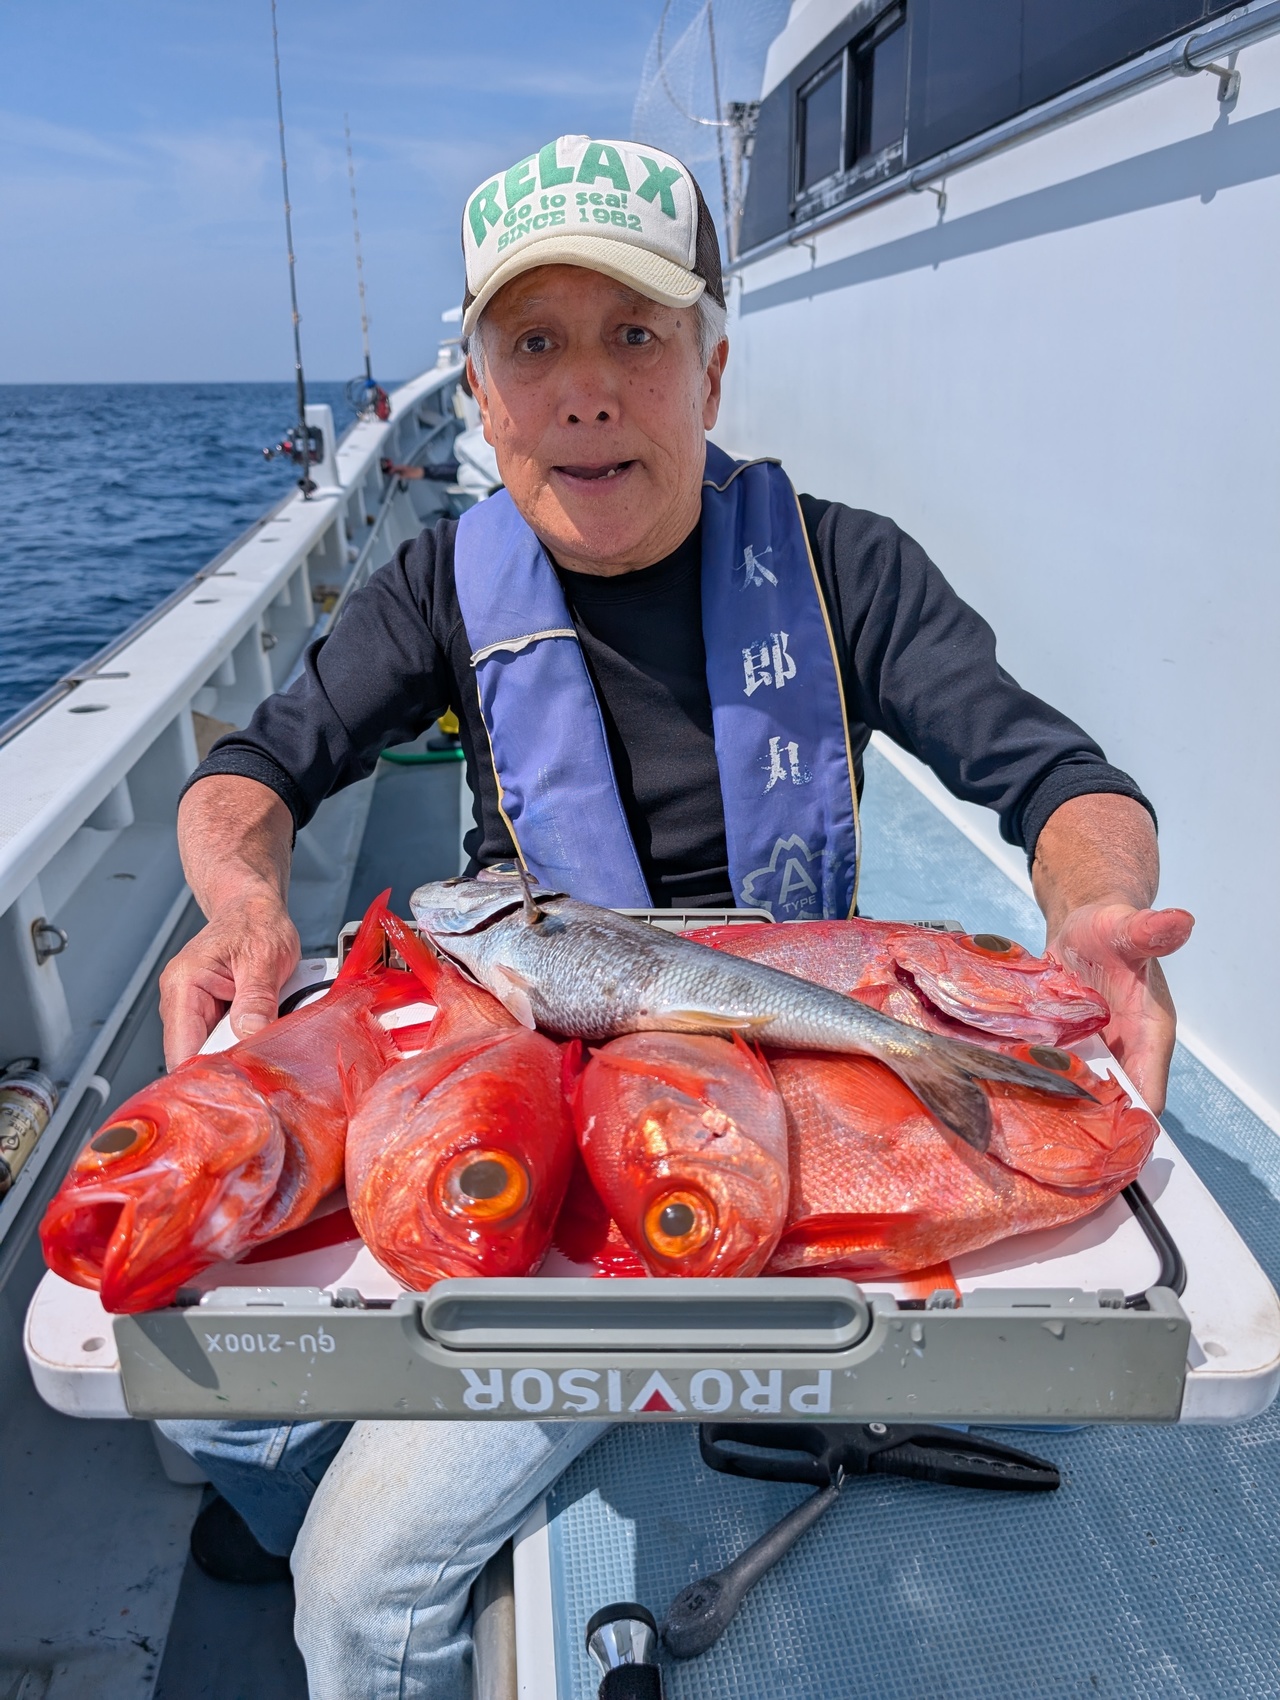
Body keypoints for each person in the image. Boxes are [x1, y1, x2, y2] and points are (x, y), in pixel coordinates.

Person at [157, 135, 1193, 1696]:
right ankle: (282, 1479)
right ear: (481, 394)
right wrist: (242, 902)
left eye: (634, 334)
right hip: (516, 1072)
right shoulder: (440, 585)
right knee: (210, 1391)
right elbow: (254, 771)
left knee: (355, 1594)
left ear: (710, 369)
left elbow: (1060, 780)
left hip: (751, 1098)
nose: (585, 391)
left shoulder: (847, 570)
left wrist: (1101, 907)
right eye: (534, 345)